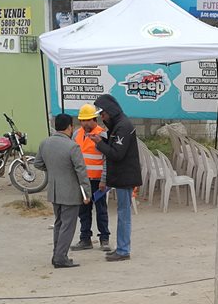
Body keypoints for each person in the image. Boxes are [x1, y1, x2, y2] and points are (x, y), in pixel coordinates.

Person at [34, 112, 91, 269]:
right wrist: (86, 193)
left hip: (54, 190)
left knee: (59, 223)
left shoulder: (45, 143)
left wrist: (52, 170)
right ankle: (61, 257)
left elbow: (38, 163)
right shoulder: (72, 147)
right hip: (71, 192)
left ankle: (56, 254)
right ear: (70, 127)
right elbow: (81, 171)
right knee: (68, 225)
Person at [91, 94, 141, 262]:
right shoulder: (118, 125)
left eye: (103, 114)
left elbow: (117, 153)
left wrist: (99, 143)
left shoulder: (123, 126)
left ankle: (123, 249)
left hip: (125, 176)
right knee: (122, 212)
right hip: (122, 175)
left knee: (124, 214)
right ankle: (121, 248)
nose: (102, 118)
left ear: (110, 111)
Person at [72, 104, 109, 251]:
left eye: (87, 120)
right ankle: (85, 239)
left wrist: (104, 180)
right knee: (83, 212)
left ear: (95, 119)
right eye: (82, 120)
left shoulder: (103, 134)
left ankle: (104, 239)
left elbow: (107, 159)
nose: (85, 123)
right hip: (83, 181)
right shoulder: (76, 134)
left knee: (101, 211)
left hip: (98, 181)